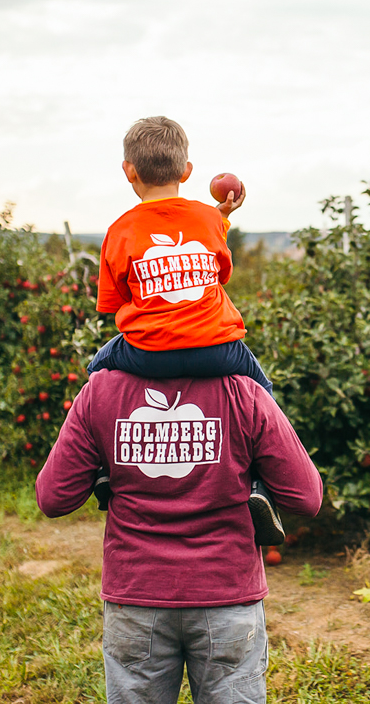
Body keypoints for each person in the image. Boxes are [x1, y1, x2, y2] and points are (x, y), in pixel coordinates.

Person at [35, 370, 323, 703]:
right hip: (226, 595)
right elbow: (306, 497)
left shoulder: (100, 391)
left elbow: (54, 498)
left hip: (136, 597)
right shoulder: (243, 392)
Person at [86, 115, 282, 544]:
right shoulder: (208, 220)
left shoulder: (119, 231)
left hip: (148, 351)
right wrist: (221, 217)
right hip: (217, 347)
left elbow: (112, 304)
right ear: (188, 171)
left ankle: (103, 466)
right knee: (263, 390)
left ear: (129, 171)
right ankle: (263, 485)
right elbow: (221, 271)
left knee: (96, 370)